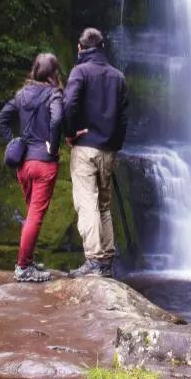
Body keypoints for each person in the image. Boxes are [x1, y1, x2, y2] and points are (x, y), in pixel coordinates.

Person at [0, 53, 67, 283]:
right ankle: (23, 267)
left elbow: (0, 120)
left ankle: (27, 260)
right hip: (44, 163)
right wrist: (54, 147)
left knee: (31, 216)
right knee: (35, 216)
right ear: (54, 72)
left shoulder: (22, 93)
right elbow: (56, 120)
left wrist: (13, 140)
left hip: (23, 164)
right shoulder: (54, 94)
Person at [63, 28, 128, 278]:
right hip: (109, 149)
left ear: (80, 49)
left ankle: (93, 260)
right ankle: (107, 261)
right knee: (104, 205)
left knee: (86, 203)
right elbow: (123, 118)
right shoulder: (118, 77)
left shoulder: (80, 72)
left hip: (86, 146)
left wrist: (70, 133)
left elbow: (69, 104)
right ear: (102, 47)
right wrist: (115, 143)